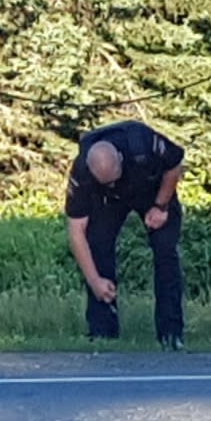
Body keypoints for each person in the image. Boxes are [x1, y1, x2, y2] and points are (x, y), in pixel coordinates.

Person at [64, 119, 186, 351]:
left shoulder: (141, 141)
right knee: (97, 245)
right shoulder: (81, 172)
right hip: (110, 203)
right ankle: (103, 334)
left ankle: (171, 334)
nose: (111, 183)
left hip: (153, 191)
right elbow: (76, 230)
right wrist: (94, 280)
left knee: (165, 252)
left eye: (112, 179)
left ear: (120, 159)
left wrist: (160, 206)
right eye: (104, 181)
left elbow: (175, 163)